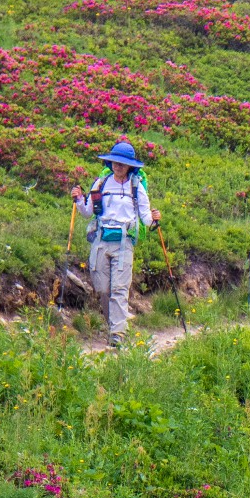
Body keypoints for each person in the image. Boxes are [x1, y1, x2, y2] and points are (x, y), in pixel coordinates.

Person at [71, 139, 156, 345]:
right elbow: (88, 212)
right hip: (101, 240)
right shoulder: (101, 184)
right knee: (102, 288)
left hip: (124, 242)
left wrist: (154, 219)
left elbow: (145, 217)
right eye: (115, 162)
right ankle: (114, 323)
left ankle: (117, 333)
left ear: (130, 166)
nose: (118, 166)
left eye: (122, 163)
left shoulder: (137, 188)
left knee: (119, 288)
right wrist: (79, 200)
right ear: (110, 163)